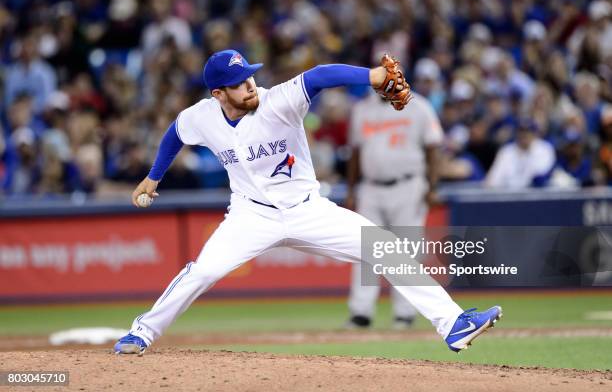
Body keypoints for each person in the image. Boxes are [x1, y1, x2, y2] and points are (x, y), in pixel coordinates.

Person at [113, 49, 502, 355]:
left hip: (307, 210)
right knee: (201, 273)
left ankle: (453, 324)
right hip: (250, 216)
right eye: (238, 82)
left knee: (386, 247)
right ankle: (141, 333)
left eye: (249, 75)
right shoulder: (202, 116)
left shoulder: (277, 101)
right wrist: (153, 177)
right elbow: (174, 134)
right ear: (218, 94)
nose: (249, 85)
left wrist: (371, 76)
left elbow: (318, 77)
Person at [345, 91, 443, 329]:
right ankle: (361, 312)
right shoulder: (362, 108)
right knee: (366, 248)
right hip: (370, 187)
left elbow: (433, 147)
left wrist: (432, 186)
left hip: (408, 184)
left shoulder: (418, 105)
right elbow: (356, 152)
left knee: (407, 250)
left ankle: (405, 313)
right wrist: (351, 190)